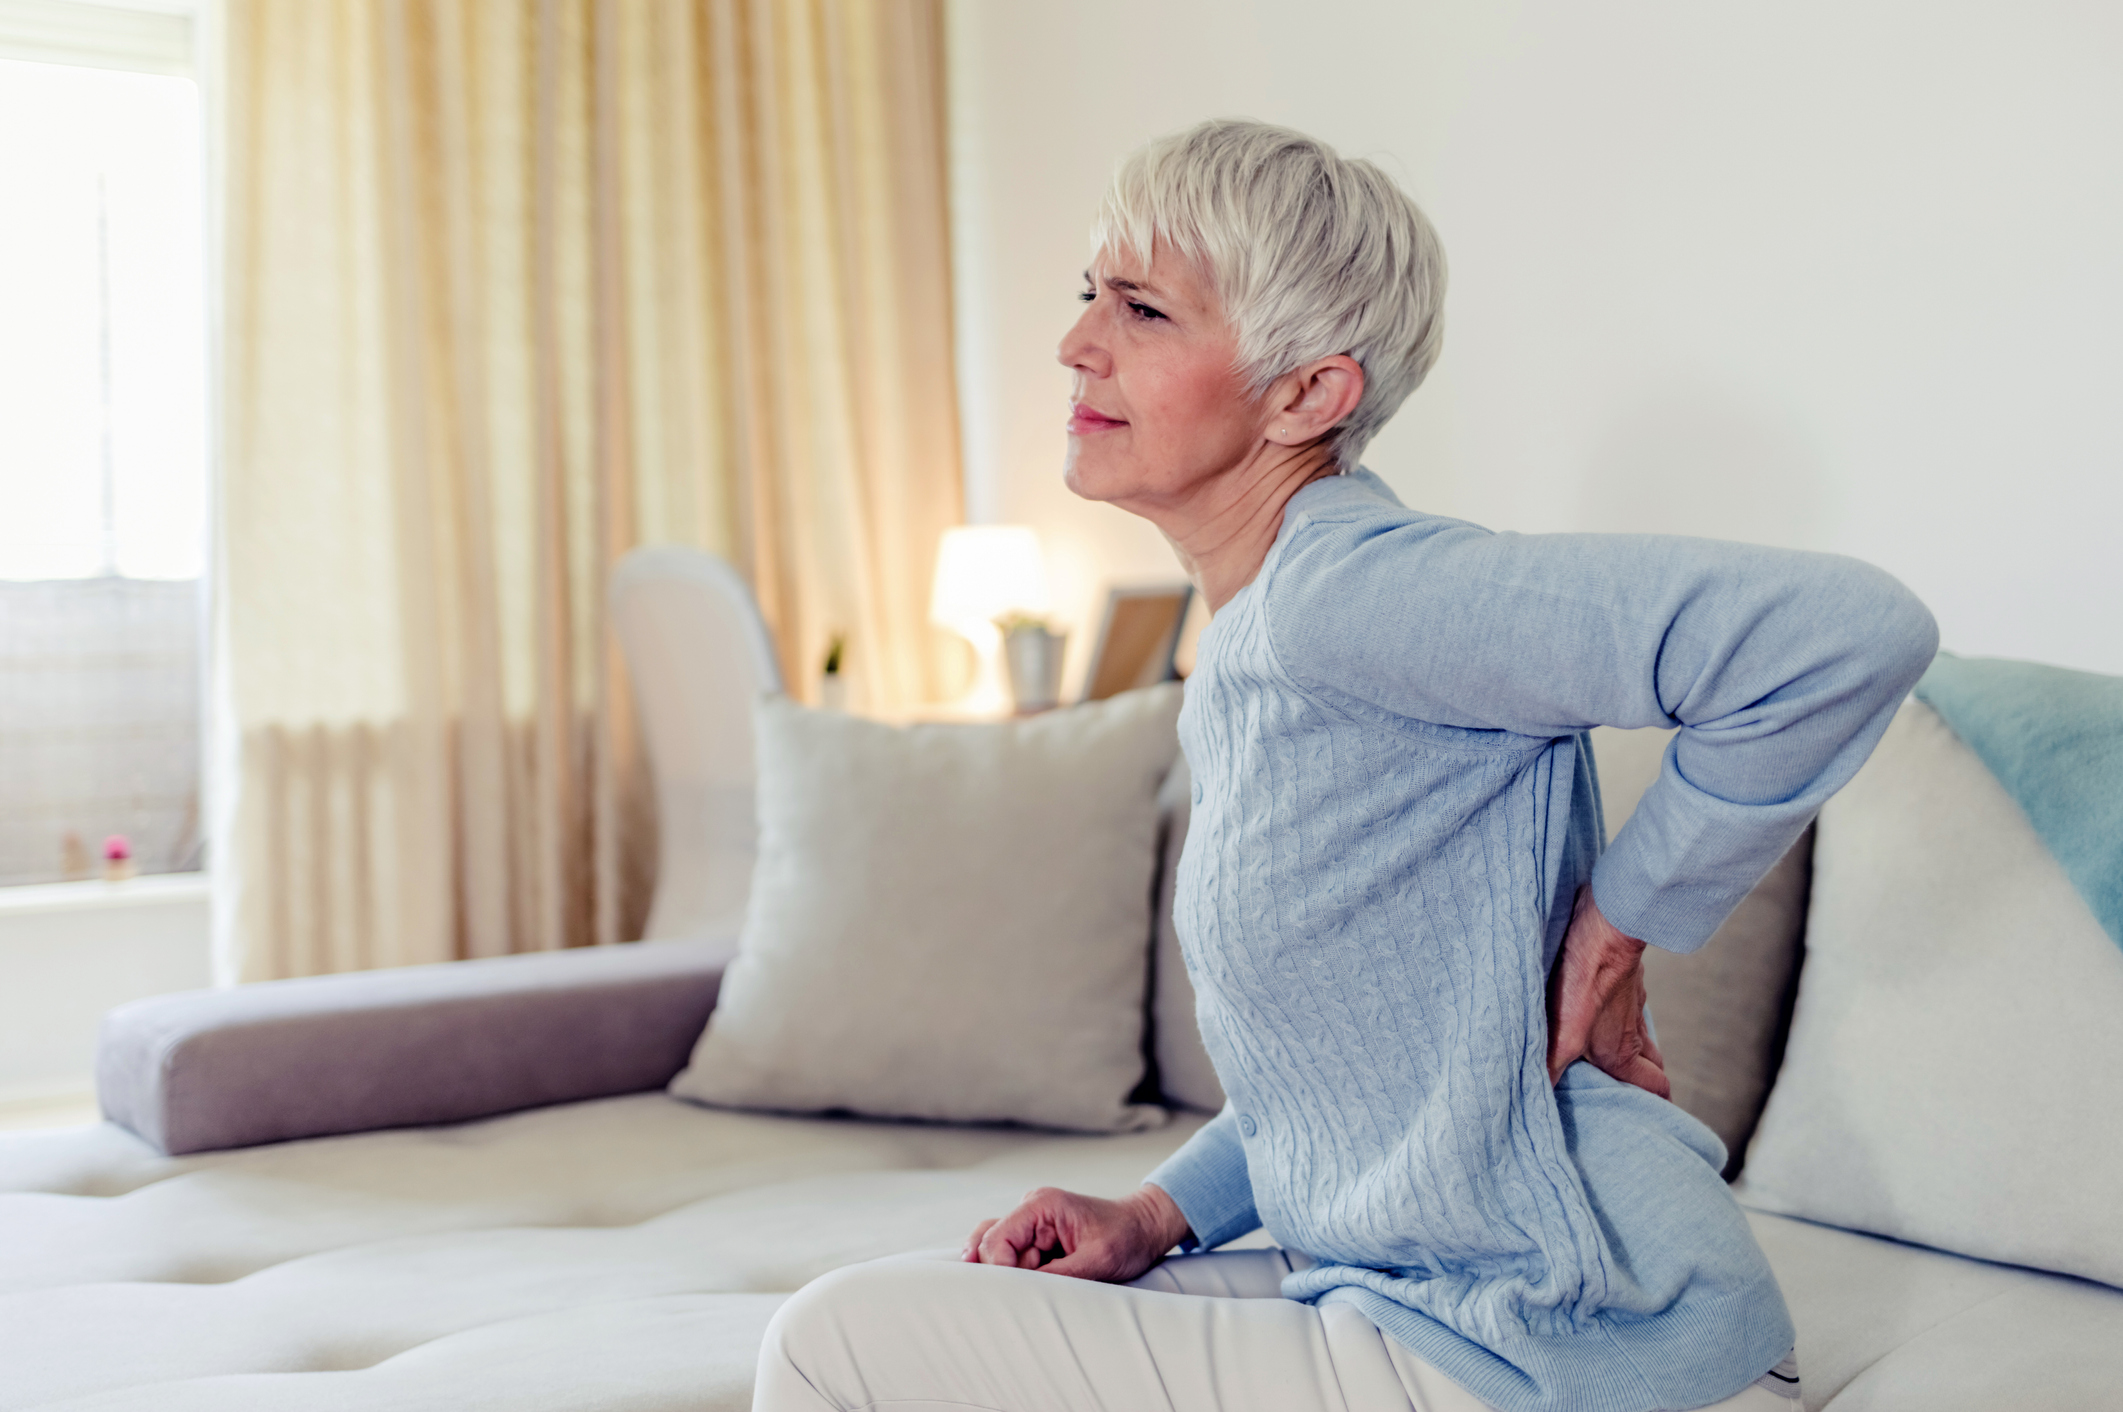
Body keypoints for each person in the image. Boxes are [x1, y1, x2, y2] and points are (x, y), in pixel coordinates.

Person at [754, 119, 1936, 1412]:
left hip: (1582, 1344)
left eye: (1143, 309)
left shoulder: (1353, 596)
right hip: (1420, 1297)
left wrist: (1619, 928)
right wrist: (1158, 1215)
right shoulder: (1256, 643)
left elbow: (1847, 636)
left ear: (1309, 395)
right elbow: (1358, 1066)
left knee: (832, 1343)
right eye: (1089, 294)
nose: (1076, 342)